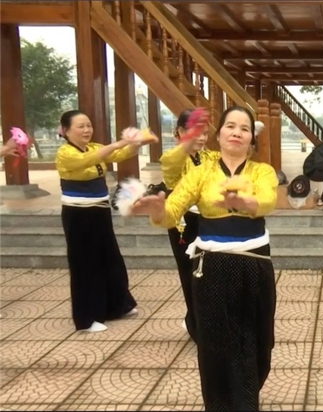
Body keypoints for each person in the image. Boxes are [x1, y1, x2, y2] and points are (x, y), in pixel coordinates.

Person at [131, 106, 277, 411]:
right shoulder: (200, 172)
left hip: (254, 267)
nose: (237, 132)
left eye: (244, 128)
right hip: (213, 268)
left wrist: (244, 202)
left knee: (258, 343)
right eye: (230, 126)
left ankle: (246, 393)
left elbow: (267, 200)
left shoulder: (263, 171)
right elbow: (172, 211)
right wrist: (158, 210)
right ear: (219, 134)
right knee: (215, 346)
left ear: (251, 138)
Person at [55, 110, 154, 332]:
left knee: (110, 259)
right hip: (78, 215)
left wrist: (137, 144)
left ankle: (118, 306)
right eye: (80, 126)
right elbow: (92, 159)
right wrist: (119, 142)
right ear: (67, 131)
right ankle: (86, 318)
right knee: (85, 265)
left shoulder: (93, 146)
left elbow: (117, 155)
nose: (86, 130)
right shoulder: (65, 153)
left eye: (88, 125)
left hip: (99, 211)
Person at [159, 109, 218, 339]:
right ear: (180, 131)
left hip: (206, 219)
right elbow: (170, 163)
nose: (201, 138)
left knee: (209, 273)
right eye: (195, 132)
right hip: (183, 222)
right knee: (190, 274)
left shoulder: (208, 156)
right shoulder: (174, 158)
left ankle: (200, 320)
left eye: (204, 133)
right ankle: (197, 327)